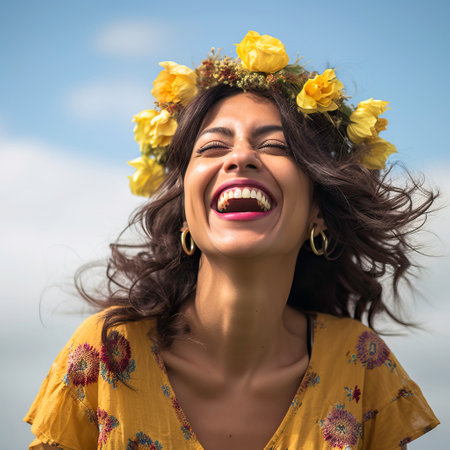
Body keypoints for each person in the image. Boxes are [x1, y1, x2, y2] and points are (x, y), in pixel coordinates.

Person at [25, 31, 439, 449]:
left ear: (319, 213)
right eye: (213, 146)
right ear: (185, 212)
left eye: (276, 145)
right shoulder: (107, 353)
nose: (240, 157)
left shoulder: (360, 363)